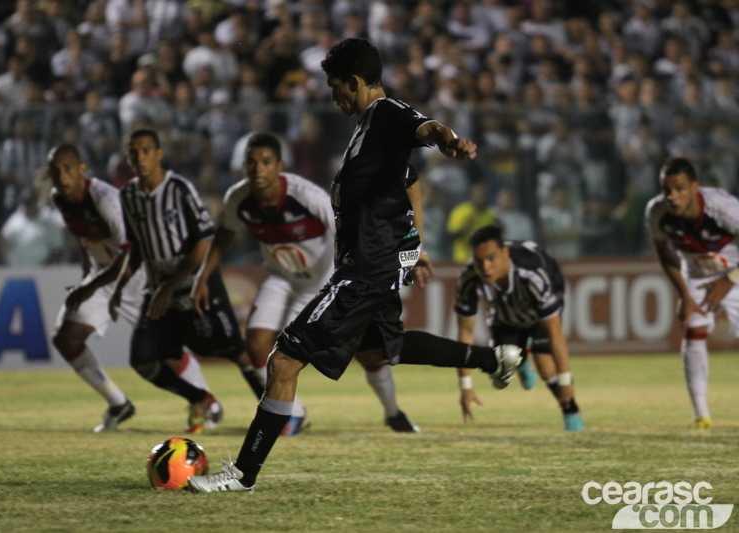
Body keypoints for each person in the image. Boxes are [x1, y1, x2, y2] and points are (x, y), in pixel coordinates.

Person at [188, 38, 521, 493]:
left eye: (335, 87)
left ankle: (243, 474)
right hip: (373, 267)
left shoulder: (386, 114)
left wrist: (448, 141)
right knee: (386, 351)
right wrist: (417, 244)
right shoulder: (368, 130)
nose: (333, 97)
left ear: (356, 82)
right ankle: (494, 358)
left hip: (363, 271)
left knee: (283, 361)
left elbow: (425, 127)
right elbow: (408, 181)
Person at [194, 132, 421, 436]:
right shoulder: (238, 197)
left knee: (369, 352)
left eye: (265, 162)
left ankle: (393, 412)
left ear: (280, 166)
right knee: (258, 344)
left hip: (326, 280)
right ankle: (295, 413)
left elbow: (346, 225)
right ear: (243, 167)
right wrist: (203, 275)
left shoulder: (304, 195)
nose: (258, 169)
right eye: (251, 163)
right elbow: (224, 235)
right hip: (281, 278)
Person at [104, 128, 265, 433]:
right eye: (133, 152)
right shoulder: (128, 195)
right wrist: (119, 288)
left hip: (196, 283)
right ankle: (200, 398)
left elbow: (204, 242)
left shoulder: (179, 188)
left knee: (233, 349)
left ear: (158, 154)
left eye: (145, 150)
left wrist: (170, 284)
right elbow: (136, 247)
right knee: (143, 359)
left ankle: (272, 408)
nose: (139, 157)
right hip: (160, 290)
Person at [47, 143, 211, 432]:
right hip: (103, 276)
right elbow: (83, 234)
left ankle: (206, 402)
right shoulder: (59, 198)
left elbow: (129, 251)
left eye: (68, 168)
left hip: (137, 276)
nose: (62, 176)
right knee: (65, 338)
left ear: (82, 169)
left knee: (165, 351)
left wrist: (90, 286)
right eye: (55, 170)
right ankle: (118, 403)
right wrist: (88, 269)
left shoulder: (105, 199)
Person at [453, 224, 583, 431]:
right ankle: (523, 356)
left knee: (547, 368)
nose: (485, 267)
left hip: (542, 298)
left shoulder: (532, 274)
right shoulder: (469, 277)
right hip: (505, 308)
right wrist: (465, 386)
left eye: (491, 258)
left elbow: (555, 331)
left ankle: (570, 409)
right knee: (500, 373)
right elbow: (465, 332)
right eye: (479, 261)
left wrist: (566, 381)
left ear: (505, 253)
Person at [645, 157, 739, 430]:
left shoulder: (723, 208)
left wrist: (727, 282)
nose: (673, 197)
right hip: (696, 273)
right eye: (667, 190)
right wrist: (684, 294)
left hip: (734, 269)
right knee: (694, 326)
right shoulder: (656, 212)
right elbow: (663, 252)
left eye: (680, 189)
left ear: (695, 187)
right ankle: (701, 414)